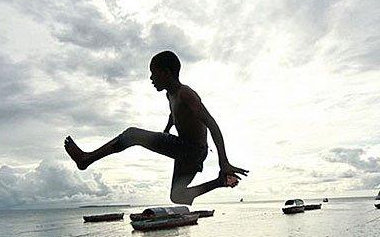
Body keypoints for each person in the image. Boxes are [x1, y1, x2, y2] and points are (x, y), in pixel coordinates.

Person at [64, 51, 248, 205]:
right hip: (188, 152)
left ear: (166, 73)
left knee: (132, 134)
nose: (151, 78)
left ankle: (86, 159)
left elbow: (211, 124)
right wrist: (167, 129)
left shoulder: (186, 93)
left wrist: (223, 161)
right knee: (177, 196)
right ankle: (219, 182)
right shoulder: (170, 95)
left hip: (191, 149)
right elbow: (175, 115)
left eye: (154, 73)